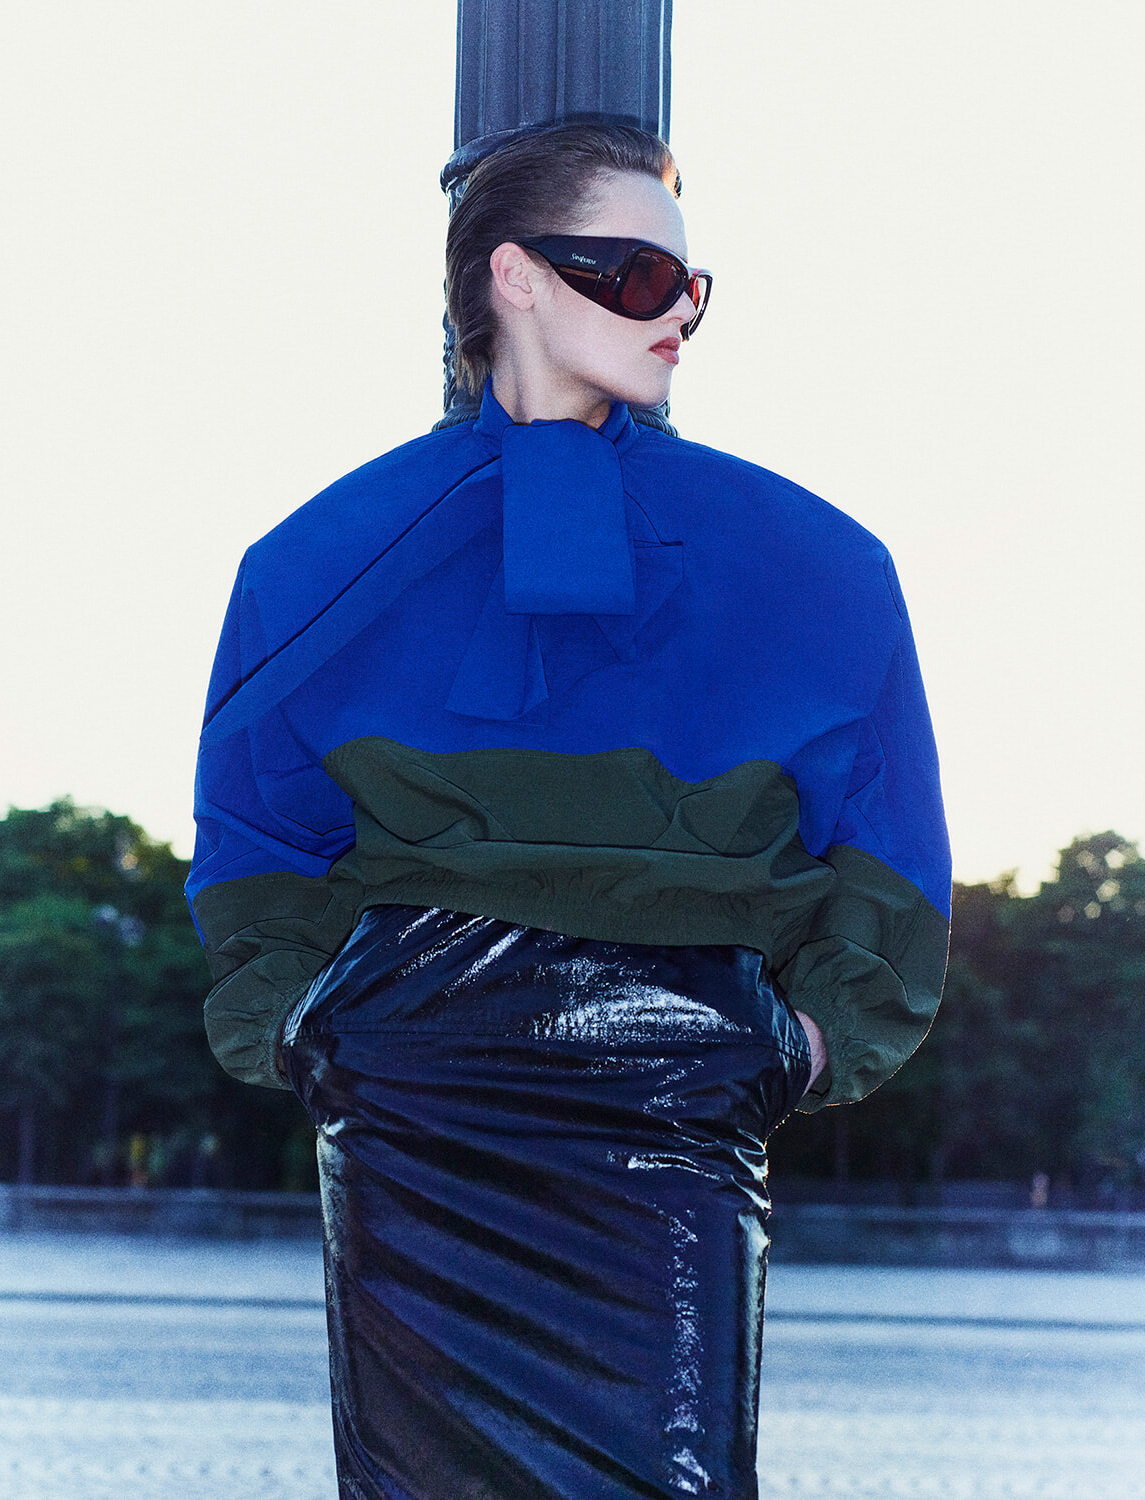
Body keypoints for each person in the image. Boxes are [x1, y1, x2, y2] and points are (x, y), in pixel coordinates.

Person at [187, 123, 949, 1500]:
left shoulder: (818, 559)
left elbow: (889, 848)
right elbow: (252, 831)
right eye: (636, 273)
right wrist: (301, 1023)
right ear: (516, 278)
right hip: (416, 1108)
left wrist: (803, 1044)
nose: (678, 316)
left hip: (674, 1105)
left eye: (691, 286)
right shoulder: (319, 554)